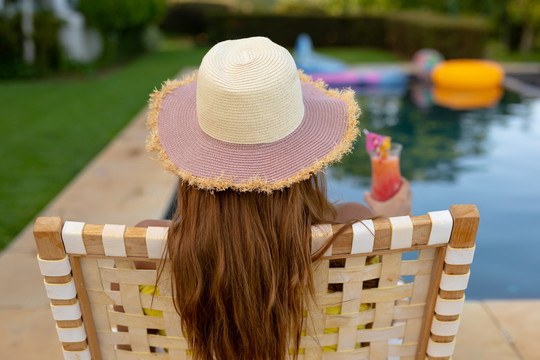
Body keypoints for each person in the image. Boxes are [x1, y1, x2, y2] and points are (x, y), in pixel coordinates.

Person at [137, 37, 411, 360]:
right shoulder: (356, 227)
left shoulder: (146, 247)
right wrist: (390, 224)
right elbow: (387, 321)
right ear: (308, 158)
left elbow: (132, 340)